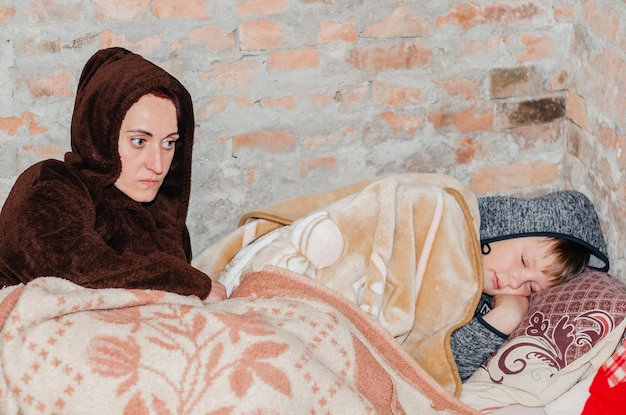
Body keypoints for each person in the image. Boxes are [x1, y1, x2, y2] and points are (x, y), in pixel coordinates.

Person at [0, 47, 226, 303]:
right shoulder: (50, 185)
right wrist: (190, 282)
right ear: (100, 135)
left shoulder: (166, 225)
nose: (158, 165)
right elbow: (76, 269)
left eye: (168, 143)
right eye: (140, 141)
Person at [451, 190, 610, 381]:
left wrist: (506, 316)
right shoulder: (442, 243)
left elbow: (444, 370)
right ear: (505, 228)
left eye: (532, 287)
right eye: (524, 261)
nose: (516, 282)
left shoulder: (486, 302)